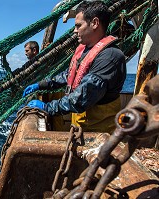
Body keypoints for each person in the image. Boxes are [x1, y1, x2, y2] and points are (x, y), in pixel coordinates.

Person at [23, 1, 126, 132]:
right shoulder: (85, 50)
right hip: (80, 127)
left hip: (99, 133)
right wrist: (41, 84)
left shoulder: (110, 57)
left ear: (94, 23)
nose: (75, 30)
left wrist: (47, 107)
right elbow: (69, 74)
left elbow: (82, 97)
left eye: (78, 25)